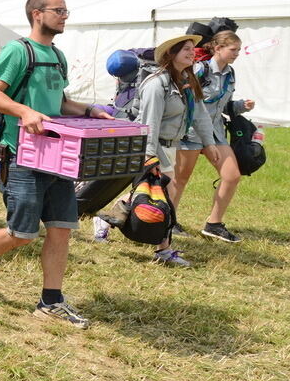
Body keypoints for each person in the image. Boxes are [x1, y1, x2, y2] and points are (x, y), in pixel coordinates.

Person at [0, 0, 111, 329]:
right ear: (37, 14)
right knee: (22, 233)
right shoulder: (17, 51)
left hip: (59, 158)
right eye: (59, 10)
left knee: (60, 230)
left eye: (66, 10)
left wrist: (90, 111)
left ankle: (50, 301)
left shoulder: (57, 56)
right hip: (22, 156)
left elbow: (60, 104)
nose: (65, 15)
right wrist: (24, 110)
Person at [100, 30, 217, 266]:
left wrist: (210, 143)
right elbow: (149, 122)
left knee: (149, 192)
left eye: (192, 50)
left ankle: (106, 219)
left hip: (170, 146)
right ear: (171, 54)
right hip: (154, 146)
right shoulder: (156, 84)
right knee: (166, 199)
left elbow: (201, 116)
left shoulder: (186, 81)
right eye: (186, 49)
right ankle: (163, 249)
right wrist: (150, 154)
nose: (192, 53)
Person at [170, 30, 254, 242]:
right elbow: (184, 97)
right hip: (192, 131)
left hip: (216, 131)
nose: (236, 54)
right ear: (218, 48)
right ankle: (169, 222)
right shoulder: (200, 70)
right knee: (180, 179)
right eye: (232, 50)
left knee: (232, 175)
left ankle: (213, 224)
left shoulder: (231, 74)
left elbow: (224, 105)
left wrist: (241, 106)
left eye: (238, 50)